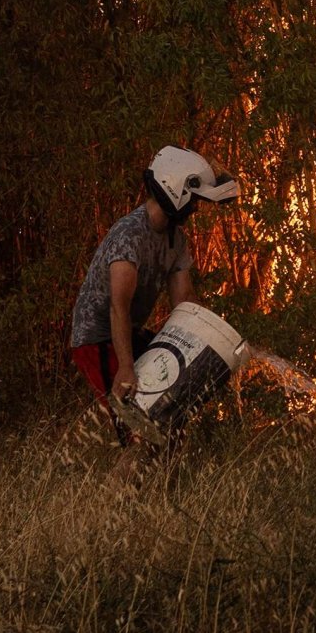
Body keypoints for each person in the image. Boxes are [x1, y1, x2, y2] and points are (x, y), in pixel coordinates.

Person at [69, 146, 238, 430]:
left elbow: (185, 302)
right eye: (194, 200)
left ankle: (166, 473)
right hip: (96, 338)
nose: (196, 208)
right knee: (135, 429)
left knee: (170, 424)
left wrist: (213, 337)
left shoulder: (176, 240)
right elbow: (117, 305)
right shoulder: (130, 234)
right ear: (176, 189)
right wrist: (126, 367)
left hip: (126, 333)